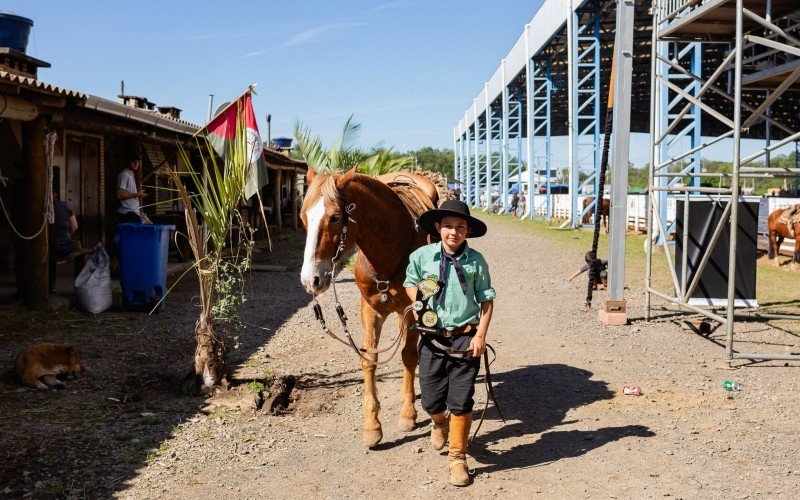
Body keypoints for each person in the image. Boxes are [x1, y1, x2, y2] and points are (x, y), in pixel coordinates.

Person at [403, 199, 496, 487]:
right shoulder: (421, 256)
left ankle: (458, 458)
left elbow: (487, 300)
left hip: (466, 338)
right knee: (431, 400)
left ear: (467, 230)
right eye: (447, 226)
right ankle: (438, 421)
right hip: (432, 339)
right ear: (437, 228)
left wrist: (480, 335)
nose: (453, 232)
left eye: (460, 227)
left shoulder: (476, 261)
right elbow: (410, 282)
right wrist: (418, 301)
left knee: (461, 399)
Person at [48, 188, 78, 294]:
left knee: (48, 255)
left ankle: (50, 285)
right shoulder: (65, 206)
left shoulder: (45, 209)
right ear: (56, 195)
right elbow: (75, 227)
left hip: (52, 248)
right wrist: (66, 237)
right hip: (66, 247)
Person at [116, 155, 146, 223]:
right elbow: (119, 195)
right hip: (127, 213)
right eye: (133, 162)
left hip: (133, 213)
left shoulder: (131, 174)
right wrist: (137, 194)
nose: (136, 164)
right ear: (128, 162)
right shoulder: (124, 174)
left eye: (137, 162)